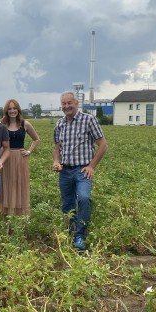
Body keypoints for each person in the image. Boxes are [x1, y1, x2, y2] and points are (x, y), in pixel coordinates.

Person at [52, 91, 108, 250]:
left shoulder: (88, 120)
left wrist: (91, 166)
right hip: (65, 171)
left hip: (82, 170)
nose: (66, 106)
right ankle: (72, 231)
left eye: (69, 103)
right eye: (64, 104)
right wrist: (56, 161)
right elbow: (57, 148)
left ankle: (80, 235)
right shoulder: (59, 124)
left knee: (83, 198)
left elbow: (103, 145)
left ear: (76, 103)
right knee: (67, 203)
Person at [0, 98, 40, 216]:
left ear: (18, 110)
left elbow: (36, 139)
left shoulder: (25, 124)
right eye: (10, 109)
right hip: (5, 158)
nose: (12, 111)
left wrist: (29, 151)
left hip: (20, 159)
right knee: (6, 184)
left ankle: (19, 215)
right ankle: (5, 214)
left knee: (18, 184)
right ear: (6, 111)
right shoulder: (2, 124)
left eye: (14, 108)